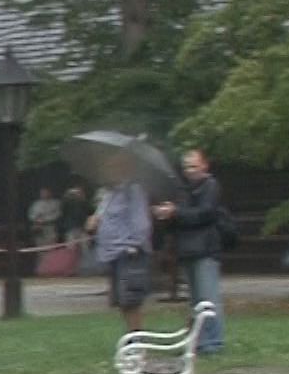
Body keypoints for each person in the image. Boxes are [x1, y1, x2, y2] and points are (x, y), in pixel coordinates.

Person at [156, 149, 227, 354]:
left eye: (194, 166)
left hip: (206, 249)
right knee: (195, 300)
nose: (190, 170)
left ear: (204, 166)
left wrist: (177, 212)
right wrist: (166, 215)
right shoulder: (182, 190)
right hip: (187, 249)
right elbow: (180, 220)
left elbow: (205, 213)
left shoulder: (210, 185)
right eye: (186, 167)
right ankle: (199, 340)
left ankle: (213, 342)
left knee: (208, 299)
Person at [86, 154, 154, 333]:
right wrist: (93, 223)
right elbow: (102, 218)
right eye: (108, 168)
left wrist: (134, 245)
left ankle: (136, 341)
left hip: (129, 254)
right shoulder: (108, 194)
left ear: (124, 169)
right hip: (112, 254)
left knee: (131, 301)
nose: (109, 172)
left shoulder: (133, 191)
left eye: (113, 168)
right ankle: (131, 338)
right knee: (122, 302)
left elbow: (141, 223)